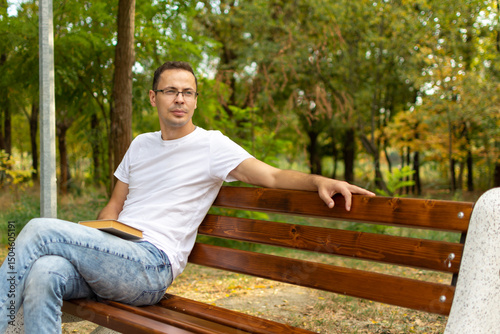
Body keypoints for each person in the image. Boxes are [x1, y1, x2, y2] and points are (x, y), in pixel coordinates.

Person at [0, 61, 375, 333]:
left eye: (187, 92)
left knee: (37, 229)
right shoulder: (140, 145)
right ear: (153, 98)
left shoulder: (212, 145)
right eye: (170, 91)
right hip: (115, 255)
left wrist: (317, 181)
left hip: (150, 266)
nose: (179, 98)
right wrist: (92, 242)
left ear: (195, 100)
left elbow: (272, 174)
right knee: (45, 273)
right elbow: (114, 206)